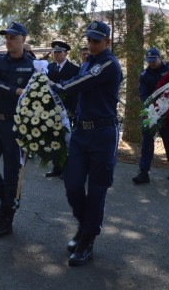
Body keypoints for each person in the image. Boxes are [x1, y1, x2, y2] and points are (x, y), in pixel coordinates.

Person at [51, 20, 122, 267]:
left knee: (97, 189)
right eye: (89, 40)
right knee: (72, 185)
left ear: (107, 42)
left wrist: (55, 86)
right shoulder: (88, 62)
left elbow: (77, 86)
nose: (91, 45)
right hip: (82, 133)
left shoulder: (108, 64)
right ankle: (85, 225)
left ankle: (87, 240)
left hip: (103, 134)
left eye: (96, 41)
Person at [0, 22, 35, 239]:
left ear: (23, 39)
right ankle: (7, 200)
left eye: (12, 37)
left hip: (17, 126)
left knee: (12, 174)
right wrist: (17, 90)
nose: (8, 40)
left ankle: (6, 220)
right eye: (6, 37)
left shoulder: (33, 65)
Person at [132, 47, 169, 184]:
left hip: (167, 112)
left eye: (154, 60)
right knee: (146, 142)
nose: (151, 63)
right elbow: (143, 94)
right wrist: (151, 107)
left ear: (160, 58)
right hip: (151, 112)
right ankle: (143, 172)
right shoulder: (144, 74)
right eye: (149, 61)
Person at [45, 40, 80, 178]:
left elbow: (75, 92)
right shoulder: (49, 68)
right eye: (55, 52)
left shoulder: (74, 69)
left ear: (66, 53)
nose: (56, 54)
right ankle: (57, 167)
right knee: (54, 138)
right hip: (52, 110)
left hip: (67, 110)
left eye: (59, 52)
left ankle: (68, 168)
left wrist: (73, 109)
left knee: (67, 140)